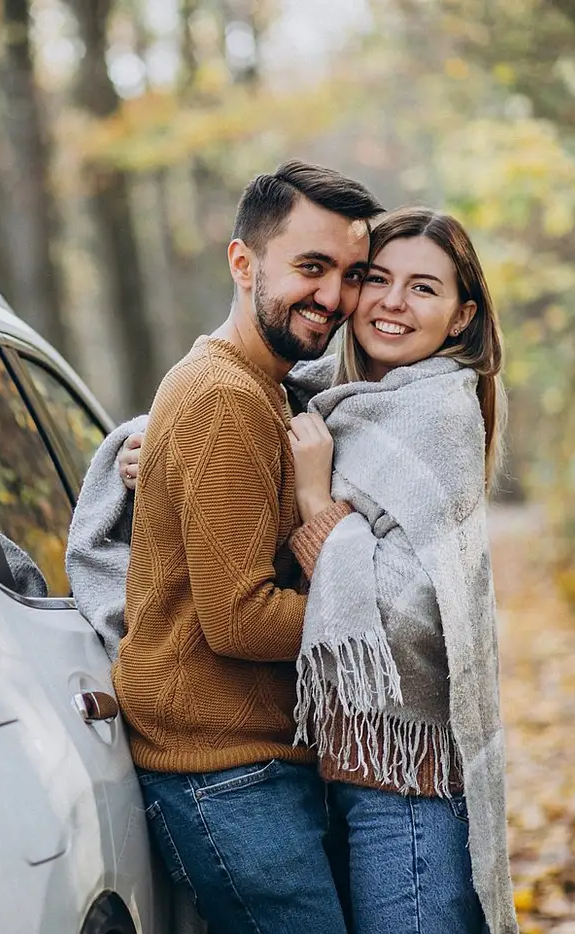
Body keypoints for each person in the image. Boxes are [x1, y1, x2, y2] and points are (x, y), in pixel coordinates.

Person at [84, 207, 518, 934]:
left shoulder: (437, 414)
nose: (390, 302)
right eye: (375, 279)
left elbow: (402, 616)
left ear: (462, 315)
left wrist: (316, 497)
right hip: (336, 767)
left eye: (423, 289)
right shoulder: (333, 396)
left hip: (405, 780)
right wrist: (149, 450)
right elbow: (226, 408)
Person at [68, 160, 382, 934]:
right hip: (224, 773)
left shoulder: (263, 388)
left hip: (257, 759)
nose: (335, 298)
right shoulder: (226, 397)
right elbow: (239, 618)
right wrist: (377, 622)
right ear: (244, 264)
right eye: (311, 268)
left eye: (350, 274)